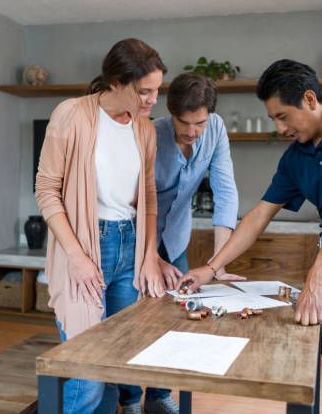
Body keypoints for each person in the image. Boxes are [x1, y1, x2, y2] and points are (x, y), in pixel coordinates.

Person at [177, 59, 322, 414]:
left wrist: (315, 279)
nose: (280, 127)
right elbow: (259, 216)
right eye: (273, 119)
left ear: (311, 99)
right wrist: (211, 268)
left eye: (283, 116)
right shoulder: (296, 157)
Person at [35, 38, 167, 414]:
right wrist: (77, 257)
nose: (152, 100)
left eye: (156, 91)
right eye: (144, 91)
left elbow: (149, 196)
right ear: (115, 82)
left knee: (118, 358)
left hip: (130, 246)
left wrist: (148, 257)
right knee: (88, 368)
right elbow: (46, 190)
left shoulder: (145, 130)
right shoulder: (71, 114)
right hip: (86, 245)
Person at [120, 72, 244, 414]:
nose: (192, 131)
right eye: (184, 122)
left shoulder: (216, 129)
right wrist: (151, 258)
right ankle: (129, 399)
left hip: (175, 240)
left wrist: (219, 264)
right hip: (137, 239)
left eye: (199, 123)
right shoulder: (151, 134)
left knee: (176, 321)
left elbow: (225, 191)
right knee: (134, 322)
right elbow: (133, 202)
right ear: (170, 112)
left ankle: (159, 396)